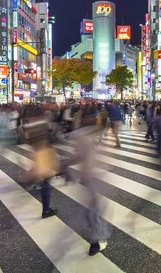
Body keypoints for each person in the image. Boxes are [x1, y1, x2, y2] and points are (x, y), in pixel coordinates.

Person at [61, 104, 110, 255]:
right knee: (92, 208)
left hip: (94, 174)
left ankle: (99, 237)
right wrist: (66, 165)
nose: (97, 118)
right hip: (92, 174)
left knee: (93, 208)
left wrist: (66, 165)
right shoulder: (87, 133)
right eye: (94, 116)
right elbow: (81, 154)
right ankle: (98, 237)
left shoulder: (88, 132)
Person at [21, 104, 58, 217]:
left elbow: (27, 138)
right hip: (45, 152)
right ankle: (46, 210)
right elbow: (50, 135)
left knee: (41, 173)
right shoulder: (43, 121)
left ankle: (29, 180)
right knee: (47, 179)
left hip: (36, 151)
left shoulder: (27, 123)